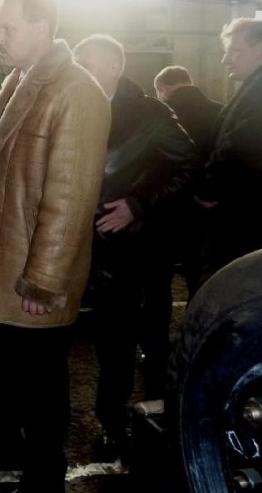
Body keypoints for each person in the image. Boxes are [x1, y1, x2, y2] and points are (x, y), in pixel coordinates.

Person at [0, 0, 111, 493]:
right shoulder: (20, 80)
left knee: (40, 375)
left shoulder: (75, 91)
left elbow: (71, 198)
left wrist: (43, 280)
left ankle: (45, 471)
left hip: (31, 268)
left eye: (7, 28)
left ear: (41, 29)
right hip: (0, 257)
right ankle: (1, 438)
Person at [72, 35, 199, 461]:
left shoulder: (151, 113)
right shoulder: (75, 107)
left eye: (86, 62)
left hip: (135, 250)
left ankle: (119, 423)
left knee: (124, 340)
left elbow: (190, 165)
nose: (79, 69)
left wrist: (140, 204)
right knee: (103, 337)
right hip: (83, 243)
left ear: (113, 66)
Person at [196, 18, 262, 274]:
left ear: (261, 50)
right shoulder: (254, 85)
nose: (225, 60)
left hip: (246, 214)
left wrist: (207, 191)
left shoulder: (260, 89)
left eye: (234, 51)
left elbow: (238, 146)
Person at [154, 65, 223, 299]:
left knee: (159, 275)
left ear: (162, 88)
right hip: (209, 205)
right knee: (201, 272)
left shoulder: (160, 113)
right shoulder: (222, 111)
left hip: (167, 205)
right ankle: (199, 318)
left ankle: (158, 323)